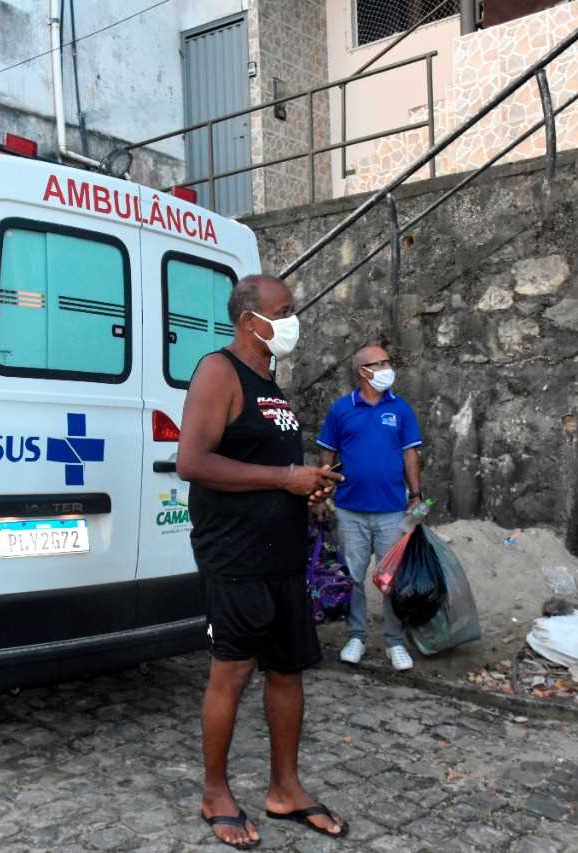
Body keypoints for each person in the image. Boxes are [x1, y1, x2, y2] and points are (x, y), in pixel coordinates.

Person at [178, 274, 348, 850]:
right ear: (251, 319)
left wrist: (309, 489)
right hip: (235, 552)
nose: (293, 319)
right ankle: (214, 792)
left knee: (288, 669)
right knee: (232, 670)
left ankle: (285, 789)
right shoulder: (218, 371)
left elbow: (274, 468)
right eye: (284, 310)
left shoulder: (271, 384)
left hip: (283, 553)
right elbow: (192, 462)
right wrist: (285, 477)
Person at [315, 344, 424, 671]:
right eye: (382, 363)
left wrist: (416, 496)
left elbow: (410, 455)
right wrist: (321, 495)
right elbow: (327, 456)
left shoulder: (401, 410)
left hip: (392, 510)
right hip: (350, 510)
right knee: (354, 576)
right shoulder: (341, 410)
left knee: (391, 578)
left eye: (389, 362)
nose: (389, 368)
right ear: (363, 371)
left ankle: (394, 641)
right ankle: (357, 636)